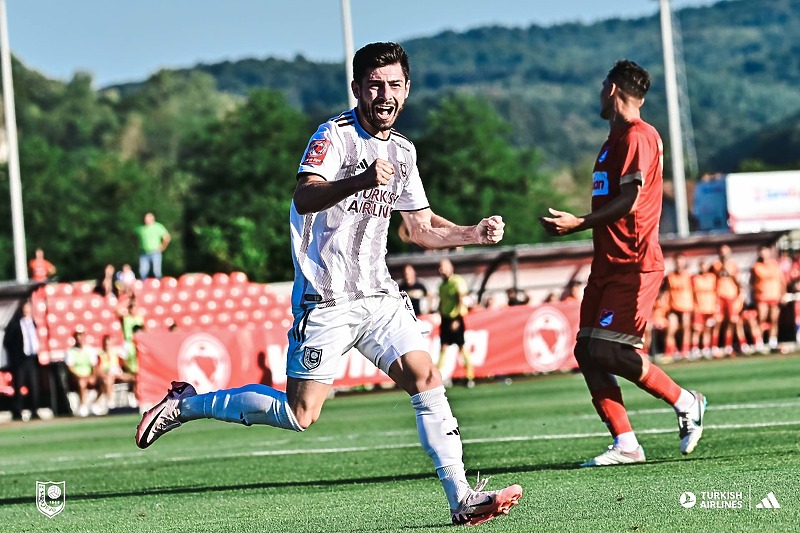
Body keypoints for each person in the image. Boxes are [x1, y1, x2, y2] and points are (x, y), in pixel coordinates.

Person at [136, 42, 521, 526]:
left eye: (395, 85)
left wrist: (471, 233)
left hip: (378, 296)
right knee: (301, 414)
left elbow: (418, 228)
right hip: (327, 300)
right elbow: (304, 196)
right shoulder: (333, 136)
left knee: (426, 377)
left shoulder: (403, 151)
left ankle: (461, 498)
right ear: (357, 88)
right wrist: (359, 180)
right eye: (375, 85)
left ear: (408, 90)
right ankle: (188, 404)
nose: (385, 95)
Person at [538, 60, 706, 466]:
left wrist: (579, 222)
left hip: (634, 262)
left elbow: (630, 201)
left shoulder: (638, 136)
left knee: (610, 352)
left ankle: (687, 401)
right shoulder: (613, 140)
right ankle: (627, 444)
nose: (599, 93)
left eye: (602, 86)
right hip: (607, 264)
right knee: (587, 351)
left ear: (612, 89)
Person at [436, 258, 475, 388]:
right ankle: (438, 378)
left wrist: (456, 318)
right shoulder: (441, 286)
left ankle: (469, 376)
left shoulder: (457, 281)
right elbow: (442, 302)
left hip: (456, 317)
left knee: (462, 346)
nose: (441, 270)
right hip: (446, 319)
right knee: (443, 347)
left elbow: (461, 299)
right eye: (440, 267)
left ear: (451, 268)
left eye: (444, 267)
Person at [710, 244, 752, 355]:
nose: (724, 254)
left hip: (731, 296)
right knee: (718, 321)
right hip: (719, 296)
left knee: (733, 321)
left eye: (726, 252)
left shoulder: (733, 265)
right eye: (722, 252)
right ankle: (714, 347)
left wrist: (740, 295)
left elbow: (738, 281)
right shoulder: (715, 265)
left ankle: (731, 345)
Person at [3, 301, 42, 421]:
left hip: (31, 359)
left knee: (33, 385)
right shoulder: (15, 324)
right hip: (20, 360)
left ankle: (34, 409)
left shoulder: (34, 323)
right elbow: (7, 342)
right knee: (19, 385)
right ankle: (17, 411)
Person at [749, 245, 785, 352]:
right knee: (762, 319)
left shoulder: (774, 265)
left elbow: (781, 280)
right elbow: (752, 283)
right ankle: (759, 342)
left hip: (774, 295)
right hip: (762, 297)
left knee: (774, 319)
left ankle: (772, 342)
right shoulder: (756, 266)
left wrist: (783, 293)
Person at [663, 253, 694, 359]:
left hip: (686, 306)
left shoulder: (689, 276)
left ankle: (685, 352)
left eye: (681, 260)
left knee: (686, 328)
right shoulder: (669, 276)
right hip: (673, 307)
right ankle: (669, 353)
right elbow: (666, 292)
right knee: (671, 329)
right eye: (677, 261)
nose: (678, 263)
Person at [95, 334, 137, 410]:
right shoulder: (100, 354)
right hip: (107, 374)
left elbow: (123, 364)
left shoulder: (116, 352)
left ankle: (133, 399)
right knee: (108, 379)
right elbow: (98, 369)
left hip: (117, 373)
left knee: (134, 378)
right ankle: (110, 402)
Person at [66, 330, 98, 417]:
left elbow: (94, 365)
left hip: (89, 374)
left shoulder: (90, 350)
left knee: (104, 381)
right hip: (77, 376)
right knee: (81, 382)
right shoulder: (70, 351)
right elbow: (70, 368)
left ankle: (95, 404)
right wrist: (80, 376)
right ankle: (83, 406)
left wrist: (93, 376)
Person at [691, 258, 718, 358]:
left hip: (710, 308)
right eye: (701, 265)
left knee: (707, 329)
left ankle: (706, 348)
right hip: (699, 308)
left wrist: (716, 306)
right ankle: (695, 349)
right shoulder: (694, 278)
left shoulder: (713, 277)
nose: (703, 267)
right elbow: (692, 293)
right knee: (697, 330)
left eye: (705, 265)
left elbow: (716, 292)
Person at [135, 212, 170, 279]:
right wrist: (136, 244)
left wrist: (163, 247)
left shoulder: (158, 227)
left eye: (148, 218)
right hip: (144, 252)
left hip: (155, 252)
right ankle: (143, 287)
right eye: (145, 218)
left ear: (152, 218)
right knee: (143, 272)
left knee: (157, 272)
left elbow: (167, 237)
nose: (146, 219)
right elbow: (132, 235)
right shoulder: (141, 228)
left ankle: (158, 287)